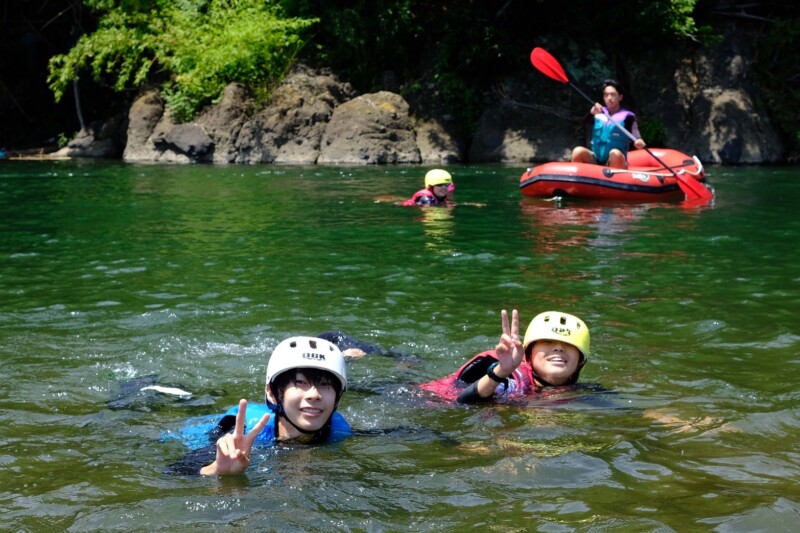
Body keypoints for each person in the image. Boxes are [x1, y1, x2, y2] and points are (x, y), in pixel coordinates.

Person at [168, 336, 351, 476]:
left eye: (325, 384)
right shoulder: (243, 435)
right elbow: (174, 471)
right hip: (188, 425)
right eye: (300, 383)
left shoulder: (341, 432)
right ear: (272, 393)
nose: (314, 395)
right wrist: (216, 470)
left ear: (337, 397)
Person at [419, 309, 590, 404]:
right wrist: (501, 371)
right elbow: (463, 401)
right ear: (529, 354)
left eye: (569, 345)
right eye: (547, 342)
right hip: (423, 400)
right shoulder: (510, 382)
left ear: (581, 361)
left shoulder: (582, 392)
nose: (559, 348)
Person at [571, 79, 646, 169]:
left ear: (620, 97)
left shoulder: (628, 117)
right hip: (595, 160)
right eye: (606, 95)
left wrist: (639, 141)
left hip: (616, 161)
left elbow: (636, 135)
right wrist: (590, 114)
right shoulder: (598, 112)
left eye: (613, 94)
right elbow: (579, 126)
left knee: (615, 153)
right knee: (577, 151)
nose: (609, 98)